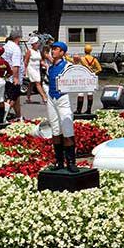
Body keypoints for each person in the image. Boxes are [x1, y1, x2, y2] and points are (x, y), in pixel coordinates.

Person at [45, 41, 78, 173]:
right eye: (52, 49)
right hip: (52, 98)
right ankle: (59, 161)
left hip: (63, 98)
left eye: (56, 49)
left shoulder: (68, 66)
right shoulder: (50, 67)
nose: (53, 51)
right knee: (55, 129)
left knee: (67, 127)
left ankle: (71, 162)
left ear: (62, 52)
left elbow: (77, 76)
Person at [2, 32, 24, 121]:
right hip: (14, 77)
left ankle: (19, 116)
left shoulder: (5, 46)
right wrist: (16, 78)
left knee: (16, 97)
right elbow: (16, 65)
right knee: (12, 98)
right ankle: (2, 116)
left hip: (6, 76)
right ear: (17, 38)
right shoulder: (15, 48)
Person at [74, 44, 102, 114]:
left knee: (80, 93)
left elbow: (75, 62)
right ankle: (89, 110)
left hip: (83, 76)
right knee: (90, 93)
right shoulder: (94, 59)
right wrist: (94, 73)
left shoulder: (82, 59)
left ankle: (79, 110)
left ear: (84, 50)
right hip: (91, 77)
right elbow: (100, 69)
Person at [24, 36, 47, 105]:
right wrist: (25, 71)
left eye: (38, 43)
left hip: (37, 69)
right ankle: (44, 97)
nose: (38, 44)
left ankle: (28, 98)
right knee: (37, 83)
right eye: (36, 43)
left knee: (31, 84)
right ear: (33, 44)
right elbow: (26, 61)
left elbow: (40, 61)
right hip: (31, 68)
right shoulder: (29, 51)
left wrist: (45, 65)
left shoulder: (38, 51)